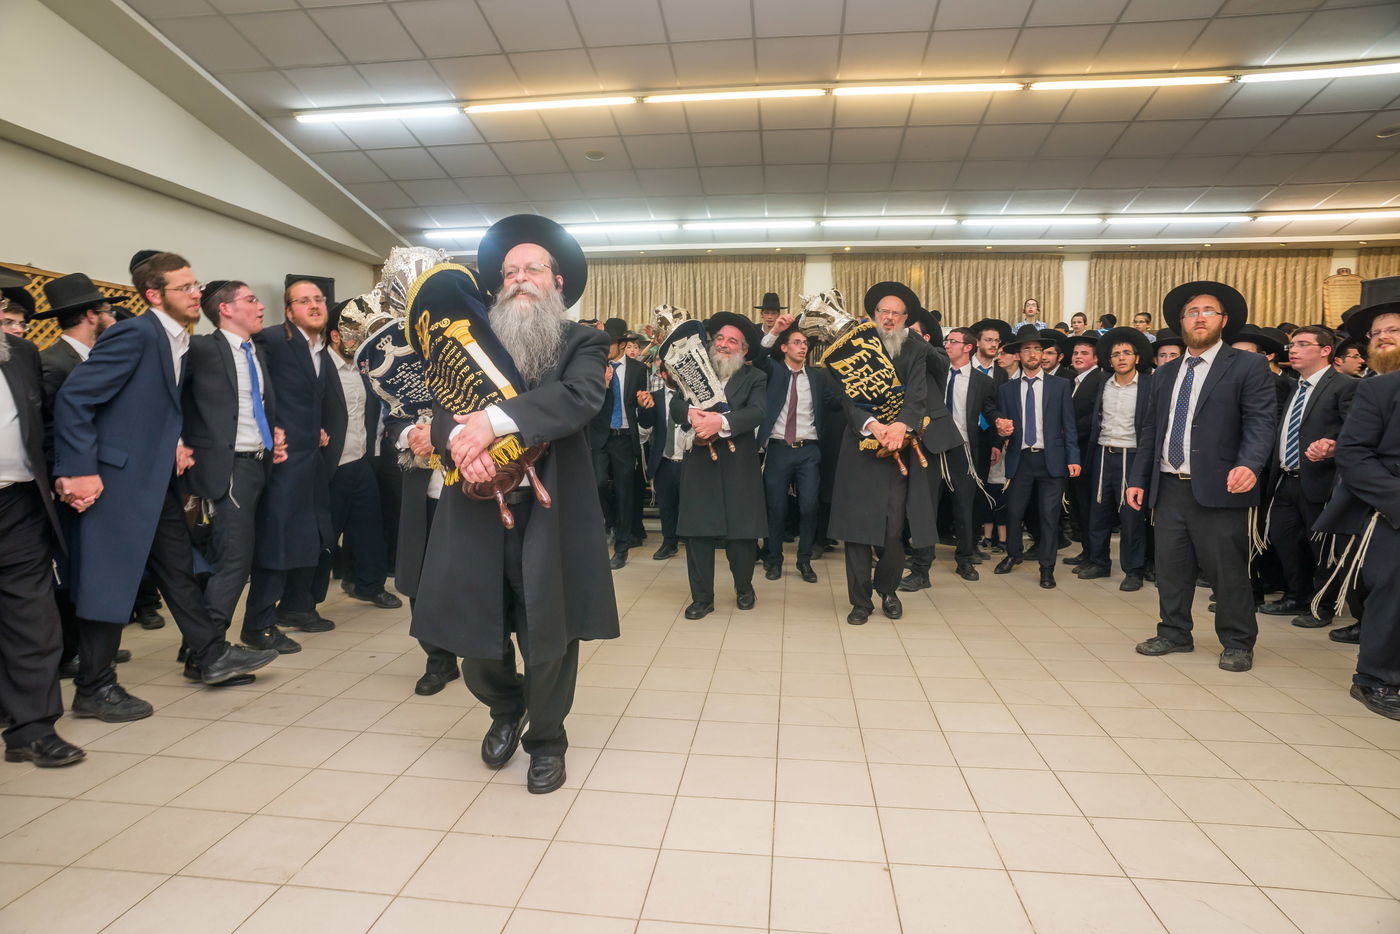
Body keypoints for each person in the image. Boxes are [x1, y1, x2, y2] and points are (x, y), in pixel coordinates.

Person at [418, 215, 620, 794]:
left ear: (557, 282)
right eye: (509, 272)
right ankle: (505, 710)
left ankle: (547, 740)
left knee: (548, 635)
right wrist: (461, 450)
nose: (520, 279)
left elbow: (577, 398)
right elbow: (440, 410)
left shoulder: (584, 342)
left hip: (550, 515)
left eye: (533, 269)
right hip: (476, 508)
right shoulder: (468, 343)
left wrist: (490, 422)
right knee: (475, 633)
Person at [53, 252, 278, 721]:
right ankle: (94, 687)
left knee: (179, 571)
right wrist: (79, 467)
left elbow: (147, 407)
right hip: (116, 482)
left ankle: (211, 655)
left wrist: (174, 441)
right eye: (185, 288)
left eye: (196, 286)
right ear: (155, 295)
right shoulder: (136, 333)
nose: (196, 294)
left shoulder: (176, 339)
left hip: (154, 482)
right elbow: (76, 396)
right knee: (109, 584)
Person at [1127, 281, 1277, 672]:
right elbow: (1149, 431)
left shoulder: (1247, 365)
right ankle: (1174, 631)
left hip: (1221, 486)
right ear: (1181, 323)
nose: (1199, 317)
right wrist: (1138, 479)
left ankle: (1238, 641)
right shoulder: (1165, 372)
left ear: (1223, 320)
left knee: (1227, 572)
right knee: (1171, 569)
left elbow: (1261, 422)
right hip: (1168, 485)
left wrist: (1250, 464)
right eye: (1191, 312)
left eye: (1208, 310)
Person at [182, 281, 298, 667]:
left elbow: (252, 406)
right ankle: (208, 650)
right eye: (251, 300)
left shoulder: (256, 352)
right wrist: (180, 443)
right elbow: (175, 400)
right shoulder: (200, 350)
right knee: (234, 560)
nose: (261, 306)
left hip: (259, 463)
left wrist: (273, 432)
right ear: (225, 309)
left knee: (240, 556)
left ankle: (199, 645)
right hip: (228, 467)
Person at [0, 280, 85, 767]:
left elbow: (49, 422)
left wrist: (68, 471)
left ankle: (32, 728)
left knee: (33, 618)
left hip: (18, 504)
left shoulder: (22, 354)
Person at [1314, 279, 1400, 718]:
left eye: (1393, 330)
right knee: (1392, 595)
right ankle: (1376, 679)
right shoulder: (1377, 389)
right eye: (1376, 333)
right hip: (1390, 512)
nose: (1382, 337)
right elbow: (1355, 454)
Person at [830, 282, 934, 624]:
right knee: (857, 530)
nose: (888, 318)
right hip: (861, 447)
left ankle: (887, 589)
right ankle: (860, 602)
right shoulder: (856, 346)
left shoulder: (915, 349)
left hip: (898, 452)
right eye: (883, 312)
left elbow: (917, 395)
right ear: (874, 316)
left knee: (893, 529)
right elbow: (847, 399)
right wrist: (874, 425)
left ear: (905, 319)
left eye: (895, 313)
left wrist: (901, 427)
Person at [245, 279, 342, 645]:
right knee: (278, 538)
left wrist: (314, 428)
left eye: (318, 299)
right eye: (304, 301)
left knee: (313, 535)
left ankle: (296, 607)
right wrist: (272, 430)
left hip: (310, 457)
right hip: (283, 460)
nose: (314, 305)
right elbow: (252, 388)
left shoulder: (319, 347)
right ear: (288, 311)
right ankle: (259, 623)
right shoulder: (271, 340)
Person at [672, 313, 768, 618]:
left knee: (740, 535)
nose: (724, 345)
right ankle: (702, 598)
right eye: (721, 339)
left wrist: (720, 422)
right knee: (697, 533)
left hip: (738, 466)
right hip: (700, 464)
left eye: (733, 341)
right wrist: (691, 414)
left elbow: (757, 412)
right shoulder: (695, 374)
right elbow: (676, 404)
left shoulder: (755, 378)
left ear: (743, 350)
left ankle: (744, 588)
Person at [1262, 325, 1357, 628]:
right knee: (1285, 539)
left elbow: (1355, 431)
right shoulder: (1294, 386)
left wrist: (1334, 445)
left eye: (1303, 344)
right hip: (1286, 479)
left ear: (1326, 350)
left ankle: (1322, 604)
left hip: (1321, 480)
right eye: (1292, 345)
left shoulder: (1343, 385)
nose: (1293, 350)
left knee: (1321, 547)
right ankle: (1296, 595)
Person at [319, 299, 401, 611]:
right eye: (352, 333)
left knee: (370, 529)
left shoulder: (364, 366)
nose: (360, 339)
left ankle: (371, 586)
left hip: (363, 459)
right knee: (325, 536)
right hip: (332, 463)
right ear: (335, 336)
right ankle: (302, 603)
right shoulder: (319, 365)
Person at [905, 326, 1000, 586]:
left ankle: (965, 560)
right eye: (946, 341)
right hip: (931, 448)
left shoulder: (983, 382)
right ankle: (921, 568)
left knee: (964, 509)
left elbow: (989, 411)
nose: (947, 345)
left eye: (953, 342)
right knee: (926, 509)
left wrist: (1000, 426)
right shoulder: (935, 373)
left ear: (968, 347)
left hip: (963, 450)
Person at [993, 325, 1081, 588]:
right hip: (1021, 460)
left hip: (1051, 459)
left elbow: (1070, 425)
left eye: (1037, 349)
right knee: (1014, 512)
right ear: (1018, 354)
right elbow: (1003, 426)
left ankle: (1047, 567)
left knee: (1049, 516)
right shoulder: (1007, 390)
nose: (1032, 353)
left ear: (1043, 354)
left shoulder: (1060, 385)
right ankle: (1013, 554)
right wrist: (1001, 430)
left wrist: (1073, 457)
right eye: (1026, 349)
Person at [757, 319, 832, 583]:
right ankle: (774, 559)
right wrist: (775, 331)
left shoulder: (818, 376)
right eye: (797, 343)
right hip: (778, 449)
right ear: (785, 347)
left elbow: (834, 401)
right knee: (775, 508)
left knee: (809, 506)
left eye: (806, 343)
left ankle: (804, 560)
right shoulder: (774, 371)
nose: (803, 347)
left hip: (808, 450)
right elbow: (758, 355)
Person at [1078, 327, 1152, 590]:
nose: (1121, 358)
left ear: (1137, 358)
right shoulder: (1103, 384)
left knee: (1131, 517)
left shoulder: (1148, 386)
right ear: (1109, 360)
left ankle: (1133, 571)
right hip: (1102, 453)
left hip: (1132, 457)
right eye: (1115, 354)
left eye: (1126, 353)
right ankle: (1099, 562)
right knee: (1098, 511)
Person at [590, 317, 646, 569]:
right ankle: (610, 522)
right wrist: (601, 384)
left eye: (610, 343)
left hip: (624, 436)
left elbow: (643, 408)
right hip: (600, 436)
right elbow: (588, 403)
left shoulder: (638, 370)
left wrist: (646, 405)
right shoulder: (594, 367)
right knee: (599, 483)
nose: (606, 347)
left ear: (621, 345)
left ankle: (622, 545)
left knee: (625, 491)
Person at [1060, 333, 1104, 567]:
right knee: (1078, 506)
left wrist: (1066, 432)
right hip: (1074, 452)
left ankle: (1095, 556)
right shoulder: (1073, 381)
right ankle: (1087, 552)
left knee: (1089, 507)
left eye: (1084, 353)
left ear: (1096, 359)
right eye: (1076, 353)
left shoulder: (1099, 379)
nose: (1077, 357)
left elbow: (1094, 418)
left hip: (1088, 453)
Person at [636, 364, 681, 561]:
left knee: (690, 504)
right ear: (663, 374)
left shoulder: (692, 396)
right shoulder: (654, 397)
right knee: (666, 505)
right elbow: (646, 425)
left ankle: (694, 539)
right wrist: (643, 407)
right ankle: (669, 543)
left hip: (690, 460)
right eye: (672, 369)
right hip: (664, 460)